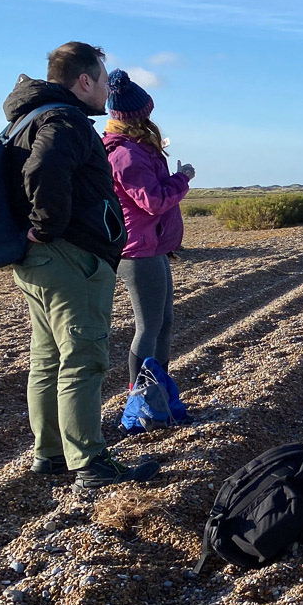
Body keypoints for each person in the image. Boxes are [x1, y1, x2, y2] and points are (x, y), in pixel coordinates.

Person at [5, 42, 159, 488]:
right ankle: (89, 463)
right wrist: (47, 226)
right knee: (83, 357)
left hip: (41, 261)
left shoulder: (28, 118)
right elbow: (45, 168)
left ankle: (51, 453)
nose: (109, 92)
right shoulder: (64, 119)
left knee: (48, 357)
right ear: (84, 80)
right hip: (70, 258)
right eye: (105, 80)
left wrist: (38, 233)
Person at [102, 69, 195, 389]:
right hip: (138, 251)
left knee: (163, 323)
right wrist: (183, 178)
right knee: (149, 327)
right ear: (137, 115)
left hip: (151, 247)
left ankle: (158, 390)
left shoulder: (136, 147)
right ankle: (141, 397)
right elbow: (153, 202)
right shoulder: (126, 153)